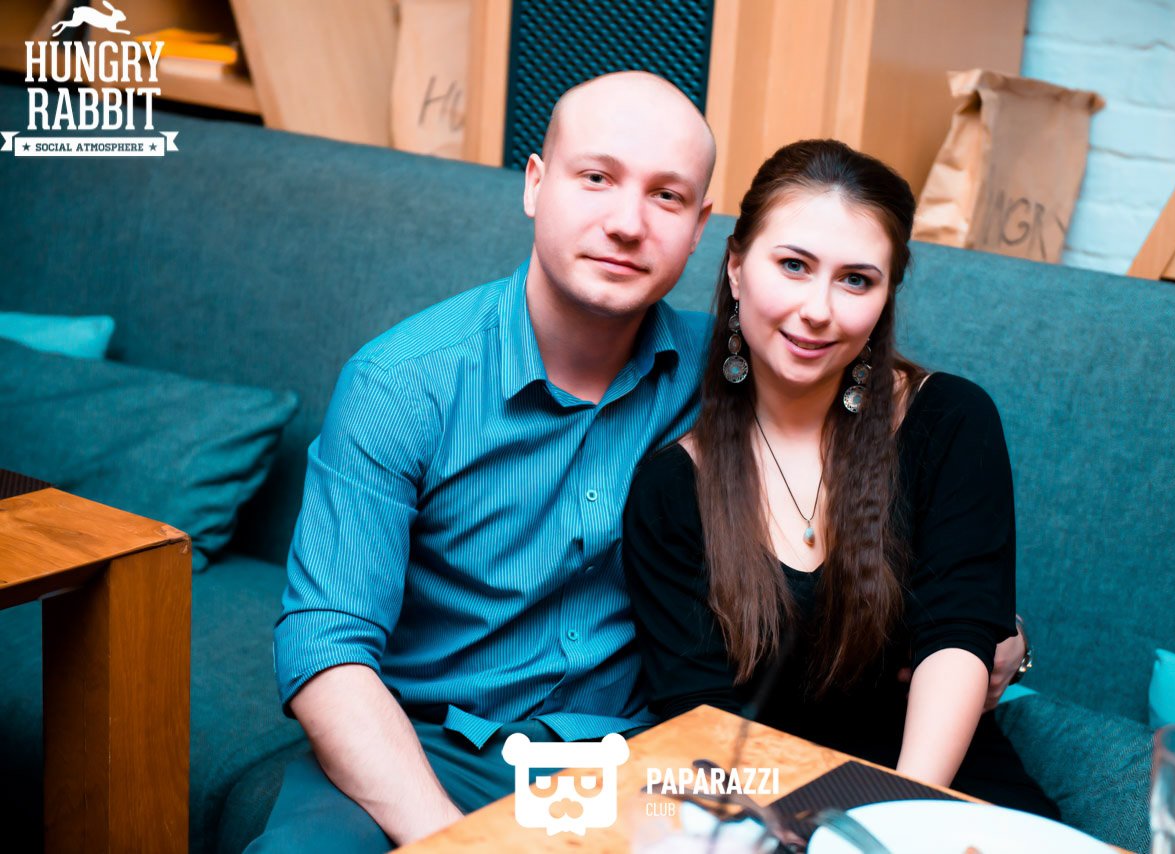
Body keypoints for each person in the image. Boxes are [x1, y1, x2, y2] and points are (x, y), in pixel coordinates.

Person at [251, 74, 1030, 852]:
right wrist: (454, 844)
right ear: (535, 184)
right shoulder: (404, 384)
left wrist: (984, 628)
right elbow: (326, 644)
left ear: (698, 230)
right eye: (597, 178)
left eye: (665, 196)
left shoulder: (755, 364)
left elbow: (901, 496)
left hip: (642, 759)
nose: (626, 224)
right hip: (429, 744)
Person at [622, 138, 1056, 816]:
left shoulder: (949, 421)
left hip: (946, 798)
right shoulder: (671, 491)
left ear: (886, 296)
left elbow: (957, 640)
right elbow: (702, 727)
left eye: (856, 280)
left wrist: (895, 824)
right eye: (793, 265)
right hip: (771, 814)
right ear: (736, 266)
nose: (819, 309)